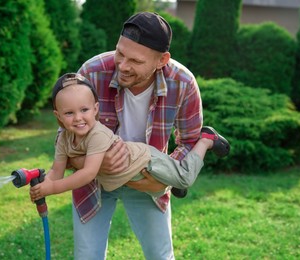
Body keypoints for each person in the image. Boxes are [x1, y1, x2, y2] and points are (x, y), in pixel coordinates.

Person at [37, 12, 227, 259]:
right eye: (120, 53)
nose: (123, 66)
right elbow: (64, 137)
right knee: (87, 256)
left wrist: (162, 181)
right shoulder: (92, 73)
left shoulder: (182, 82)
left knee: (160, 255)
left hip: (146, 175)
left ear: (162, 60)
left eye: (135, 61)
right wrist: (89, 163)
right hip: (93, 181)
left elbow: (189, 140)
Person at [30, 73, 229, 202]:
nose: (78, 118)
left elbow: (88, 173)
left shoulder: (97, 134)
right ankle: (173, 180)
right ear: (58, 117)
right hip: (131, 174)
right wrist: (43, 185)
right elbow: (57, 171)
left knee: (184, 178)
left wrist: (53, 188)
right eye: (69, 113)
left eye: (84, 110)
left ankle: (206, 139)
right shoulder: (64, 139)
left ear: (95, 109)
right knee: (159, 188)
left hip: (145, 160)